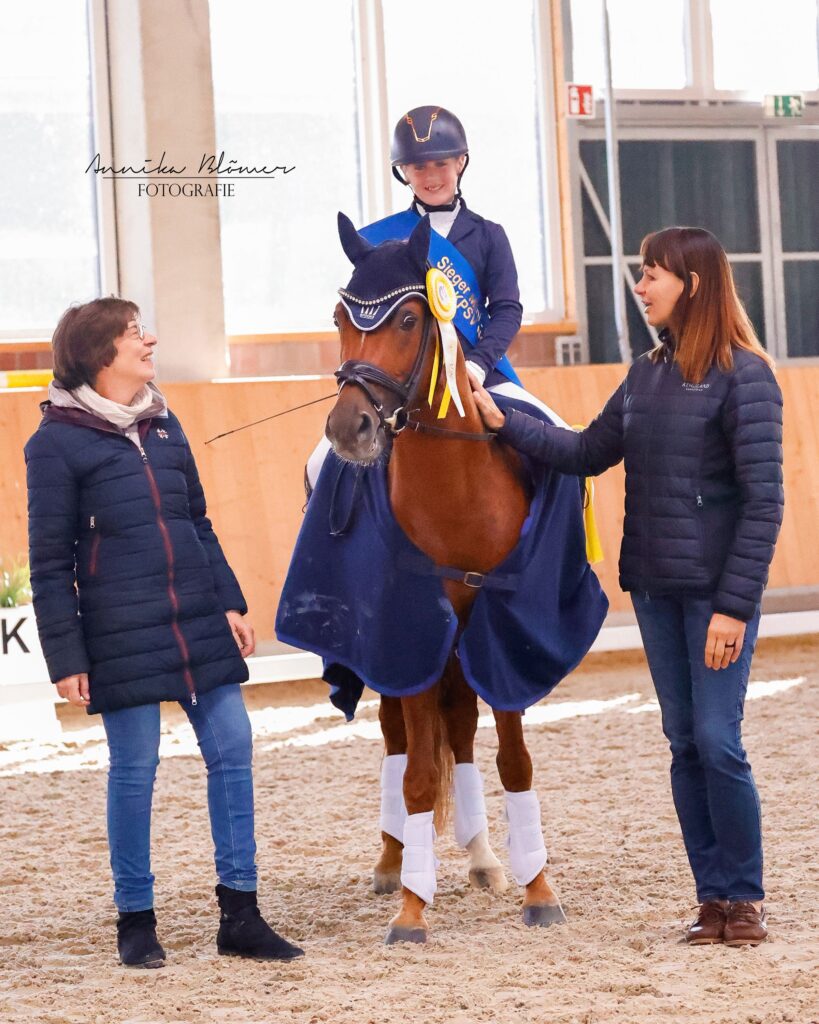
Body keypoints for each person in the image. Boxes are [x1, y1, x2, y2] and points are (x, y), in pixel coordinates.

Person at [471, 227, 784, 947]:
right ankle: (711, 900)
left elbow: (763, 501)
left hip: (713, 596)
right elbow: (584, 450)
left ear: (692, 283)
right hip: (653, 587)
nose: (639, 287)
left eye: (650, 275)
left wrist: (733, 606)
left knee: (717, 739)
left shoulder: (747, 376)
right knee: (682, 741)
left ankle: (745, 897)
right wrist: (505, 420)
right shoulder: (646, 372)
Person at [25, 298, 304, 968]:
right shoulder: (55, 443)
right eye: (133, 334)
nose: (149, 339)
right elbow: (49, 560)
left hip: (197, 618)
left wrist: (231, 601)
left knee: (233, 747)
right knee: (136, 769)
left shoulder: (164, 423)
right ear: (100, 354)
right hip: (118, 630)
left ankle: (240, 913)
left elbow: (197, 522)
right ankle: (136, 920)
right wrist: (65, 655)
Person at [307, 103, 534, 486]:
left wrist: (476, 364)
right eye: (418, 168)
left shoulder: (489, 235)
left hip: (481, 375)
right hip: (400, 386)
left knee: (553, 437)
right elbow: (365, 319)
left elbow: (507, 309)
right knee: (318, 467)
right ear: (404, 173)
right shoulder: (379, 240)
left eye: (441, 164)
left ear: (461, 162)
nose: (431, 177)